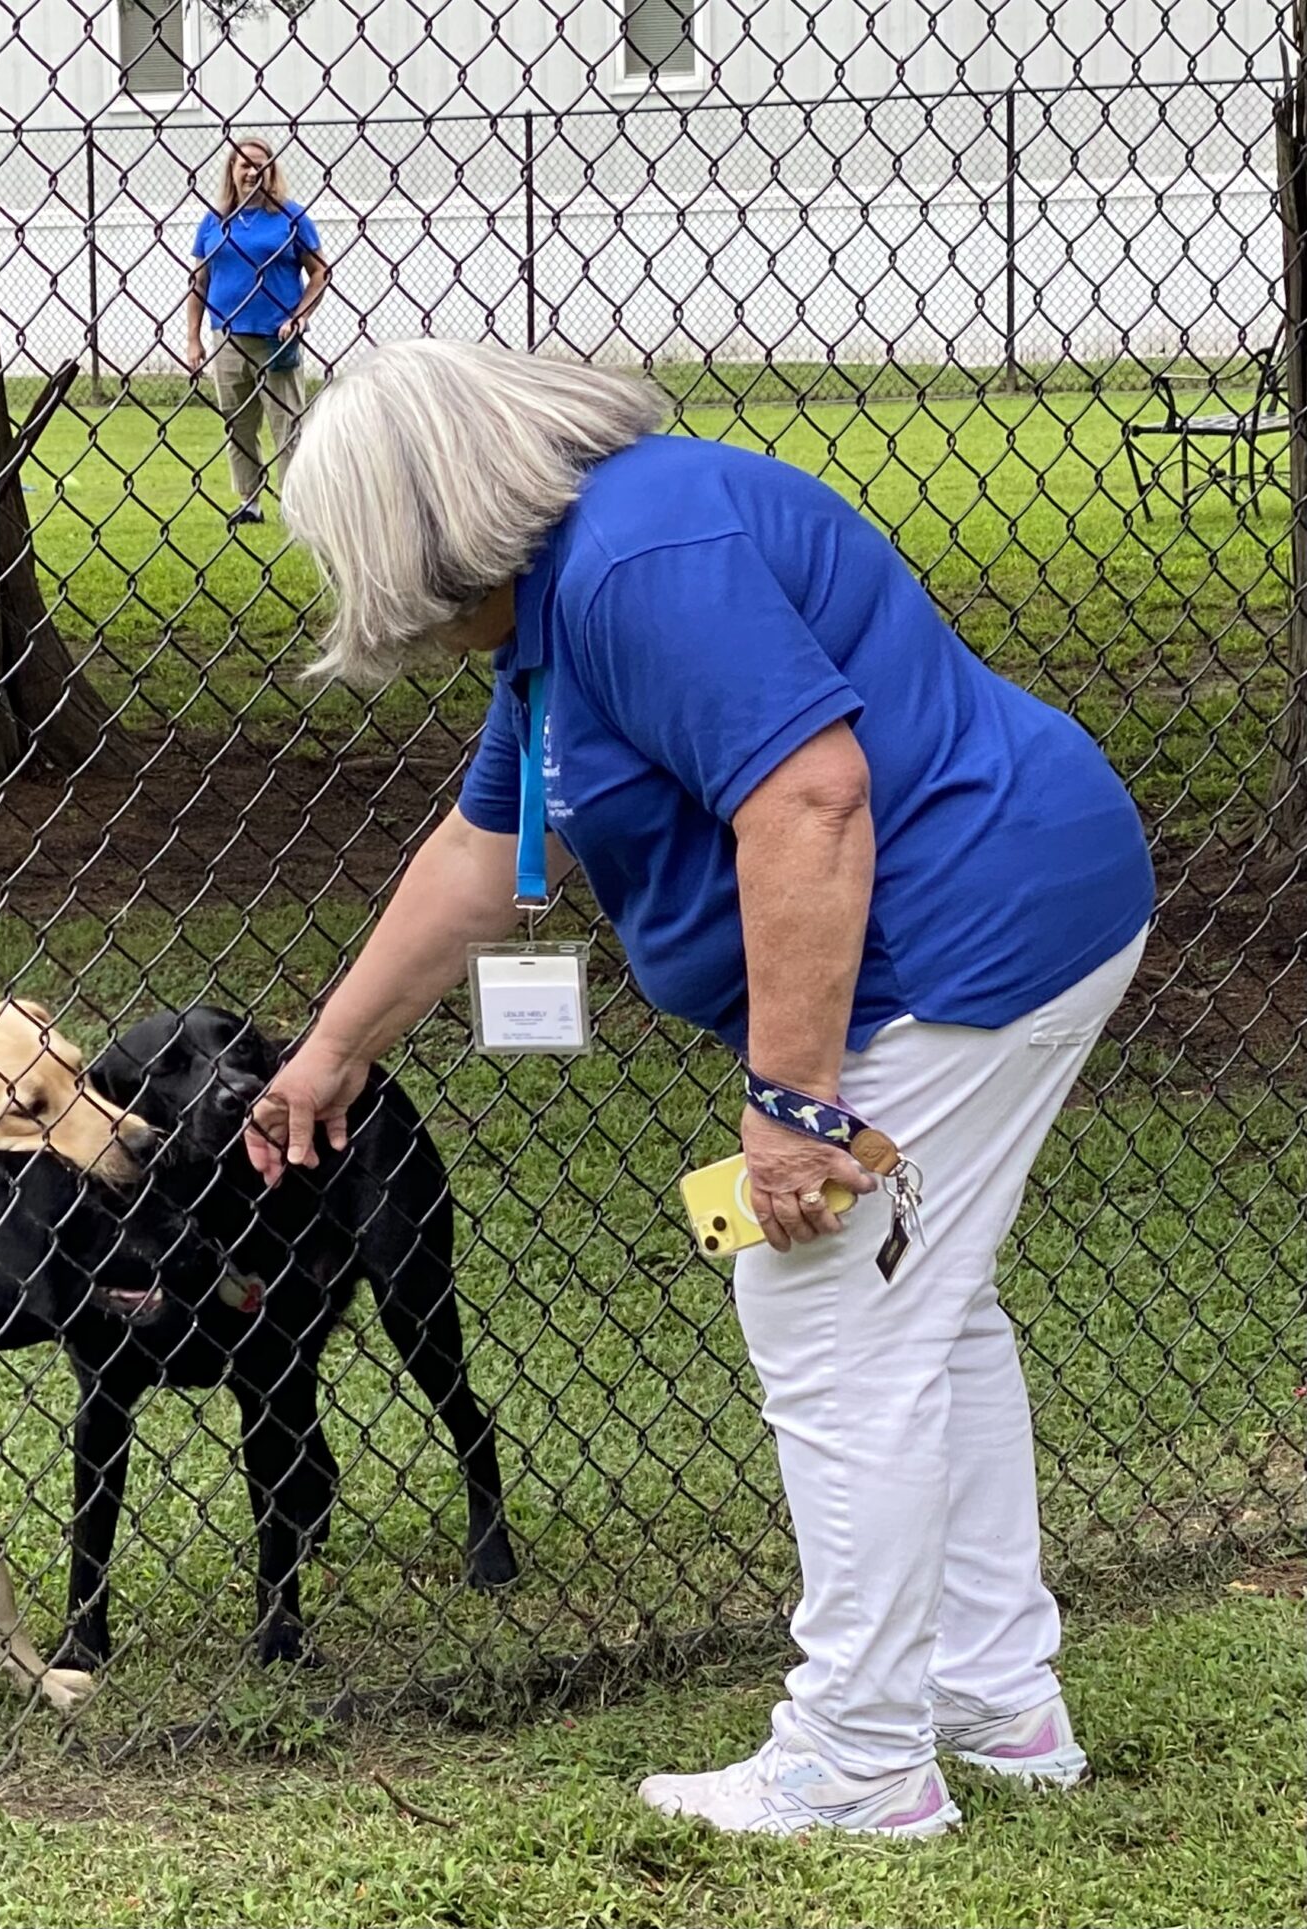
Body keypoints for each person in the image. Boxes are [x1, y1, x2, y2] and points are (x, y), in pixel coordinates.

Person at [253, 337, 1155, 1838]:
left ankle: (863, 1757)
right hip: (1023, 896)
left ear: (415, 525)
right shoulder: (567, 598)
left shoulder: (632, 563)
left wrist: (794, 1097)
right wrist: (334, 1048)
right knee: (926, 1305)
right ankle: (999, 1702)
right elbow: (484, 856)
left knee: (827, 1312)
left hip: (969, 928)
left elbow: (810, 798)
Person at [181, 136, 330, 529]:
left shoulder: (291, 217)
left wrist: (299, 316)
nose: (252, 171)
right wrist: (193, 338)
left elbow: (319, 273)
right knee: (239, 425)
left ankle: (296, 504)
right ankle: (250, 501)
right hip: (227, 339)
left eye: (260, 164)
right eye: (244, 164)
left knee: (287, 424)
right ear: (232, 171)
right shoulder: (214, 221)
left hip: (275, 339)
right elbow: (199, 282)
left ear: (272, 171)